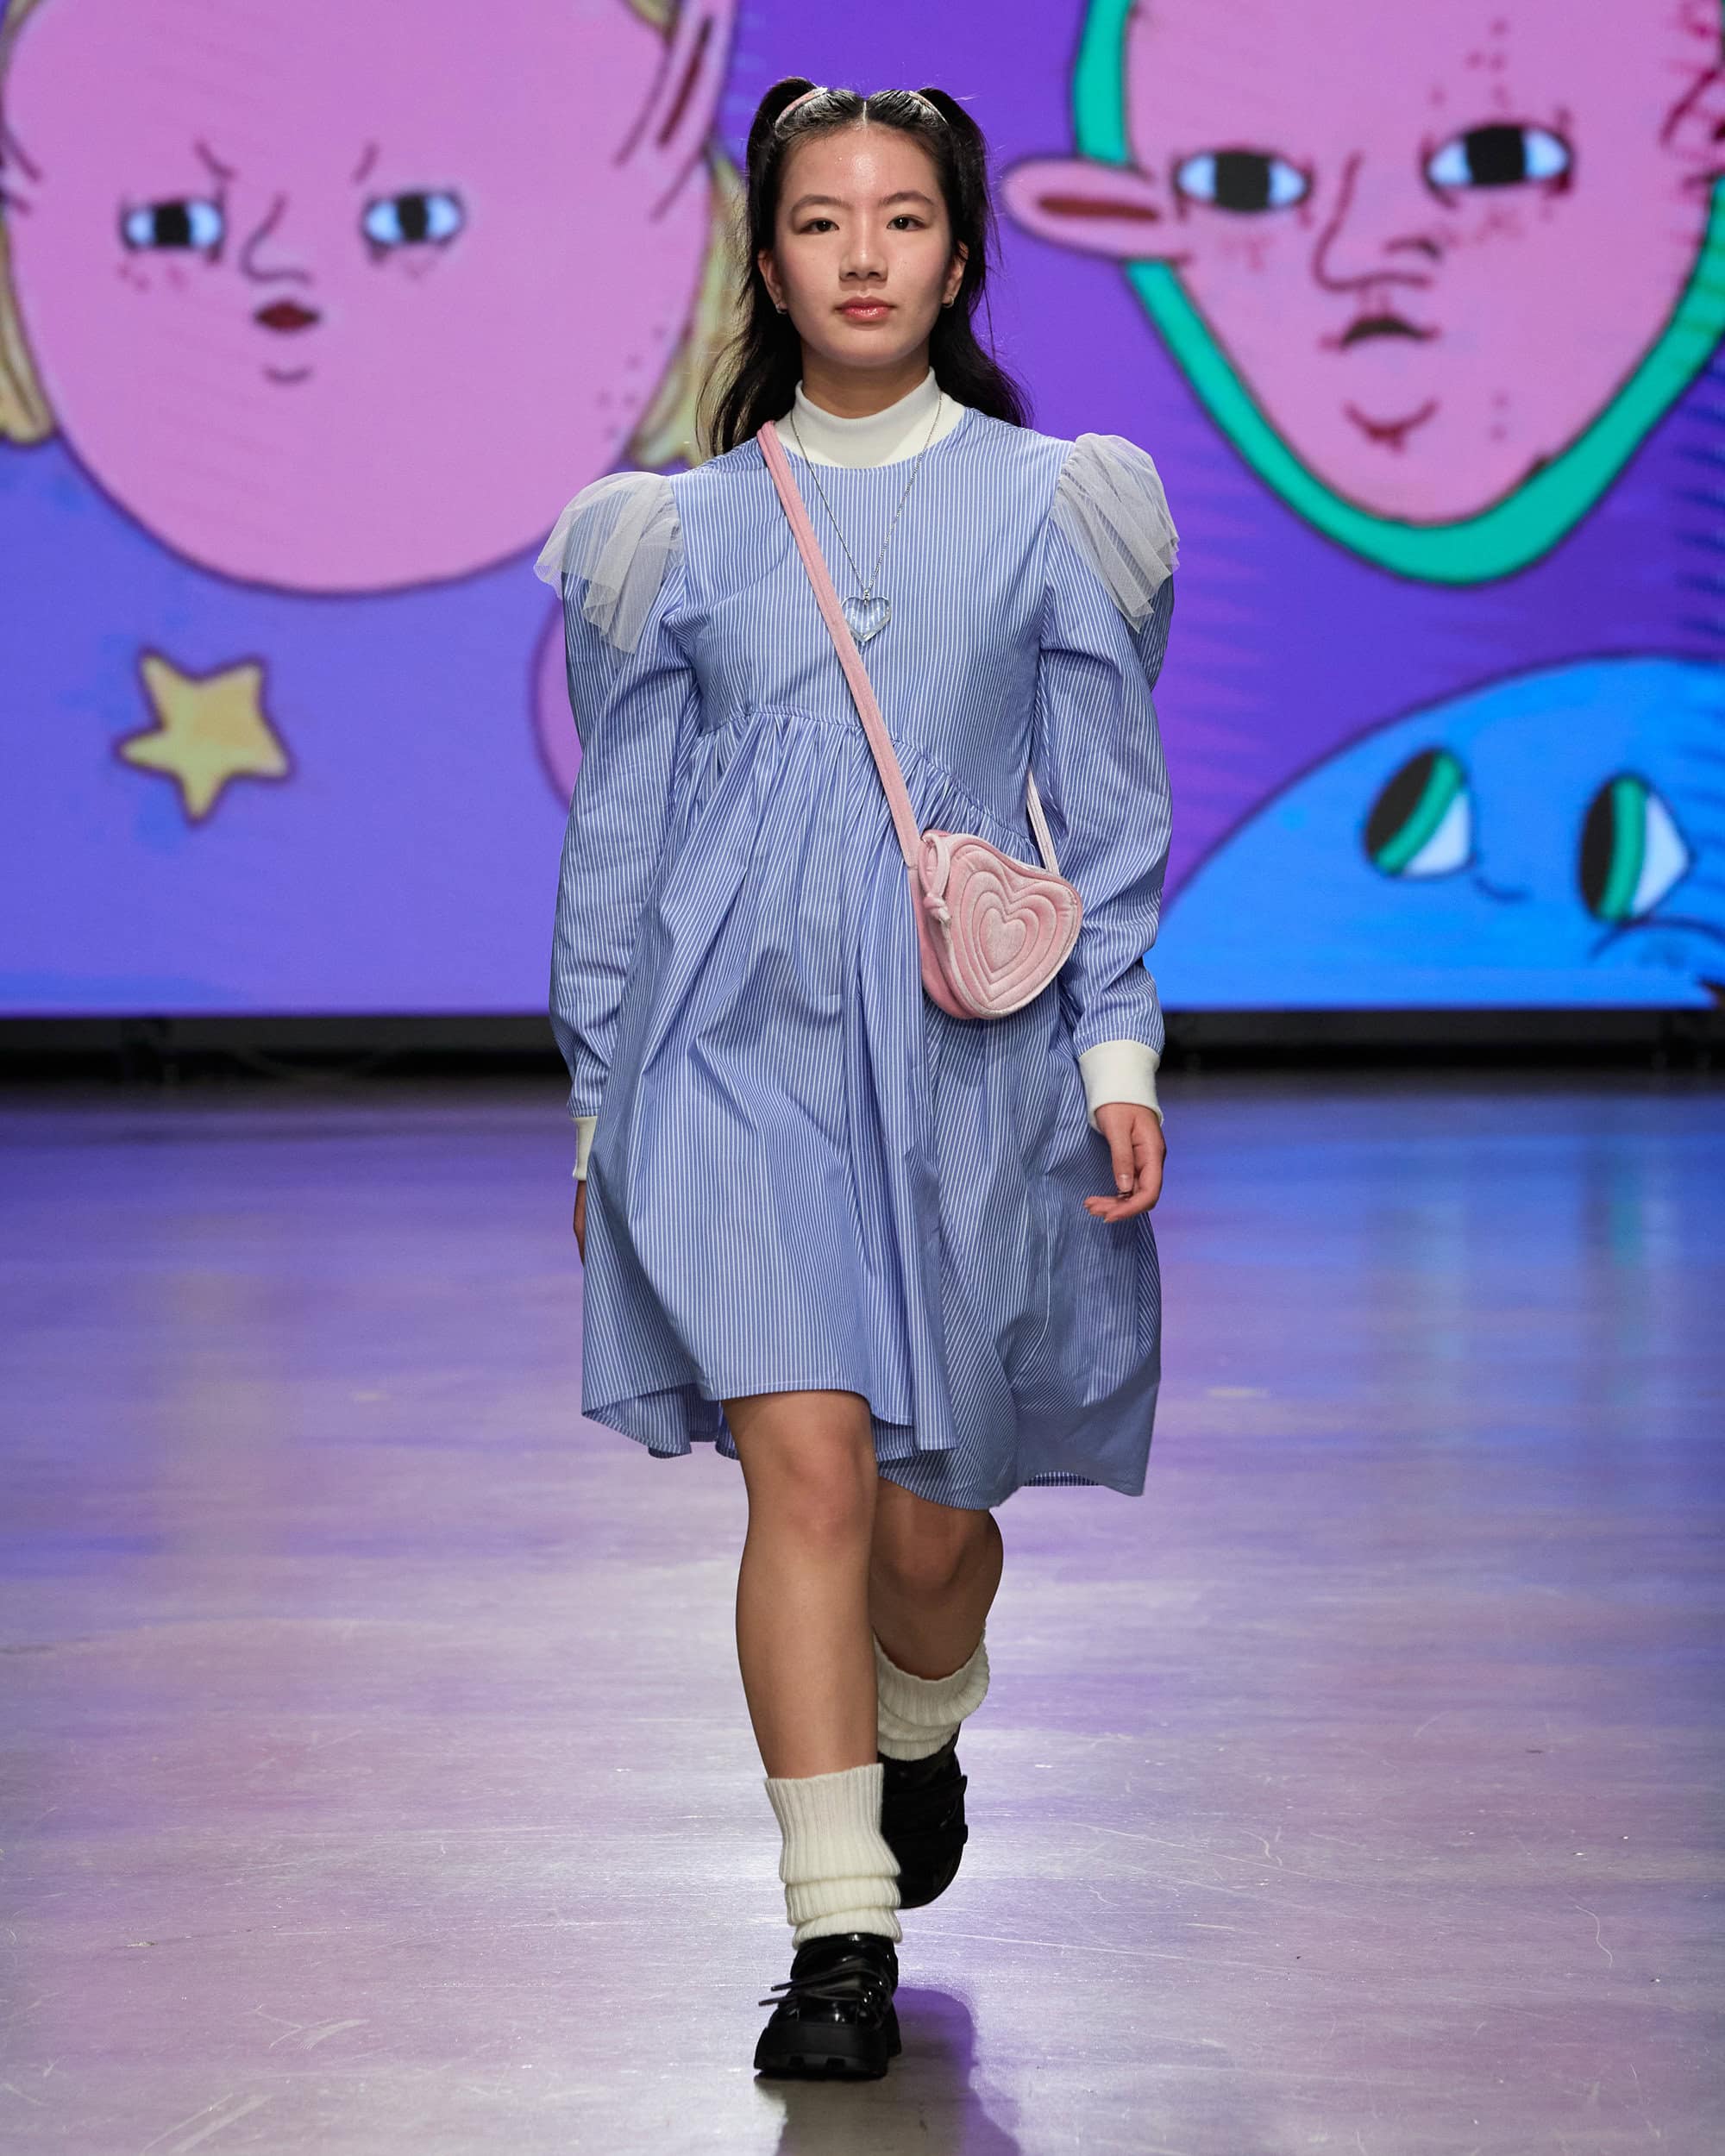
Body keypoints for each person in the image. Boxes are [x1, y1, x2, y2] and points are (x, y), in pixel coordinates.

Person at [535, 76, 1178, 2080]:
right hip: (725, 1055)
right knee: (803, 1470)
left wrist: (1121, 1047)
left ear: (958, 257)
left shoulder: (1054, 502)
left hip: (970, 1060)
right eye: (823, 221)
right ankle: (835, 1929)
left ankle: (920, 1714)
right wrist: (597, 1091)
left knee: (928, 1519)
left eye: (902, 218)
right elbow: (620, 837)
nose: (865, 254)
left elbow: (1107, 805)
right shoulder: (676, 535)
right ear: (772, 260)